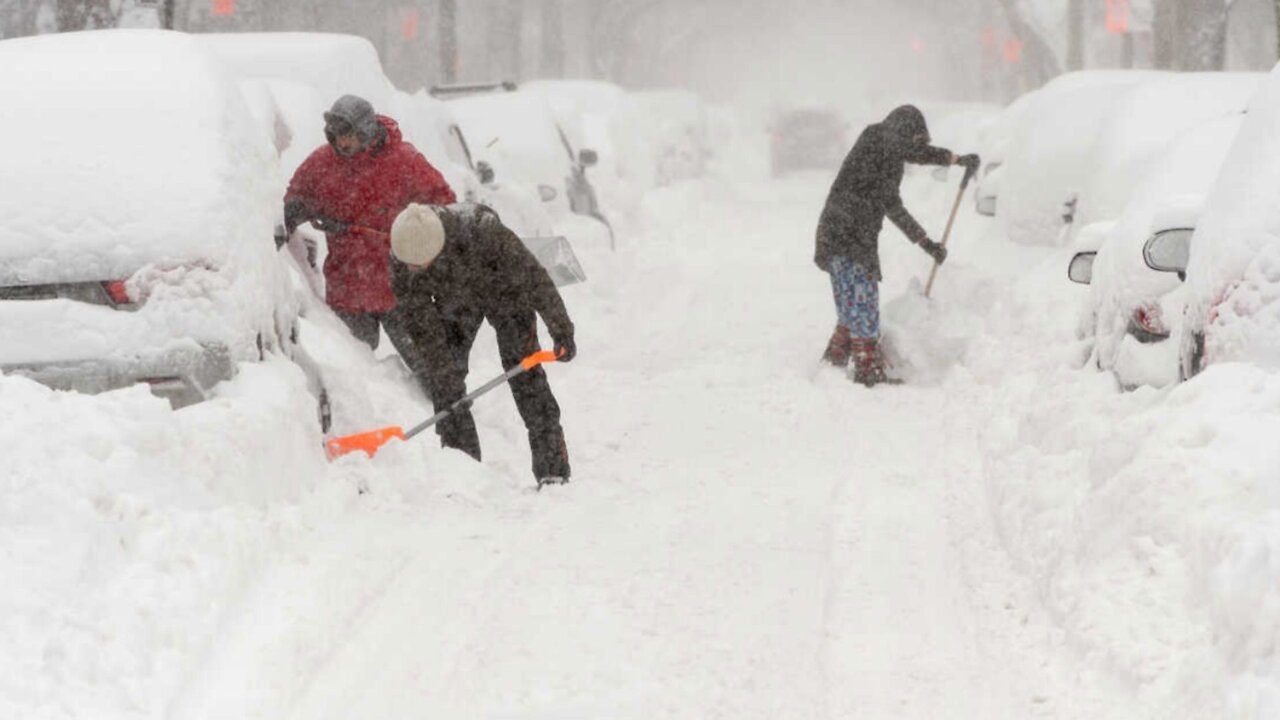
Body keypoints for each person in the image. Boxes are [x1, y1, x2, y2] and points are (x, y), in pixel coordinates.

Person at [388, 202, 576, 486]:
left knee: (525, 373)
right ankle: (462, 471)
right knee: (444, 385)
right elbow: (420, 322)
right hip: (456, 303)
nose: (411, 270)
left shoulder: (486, 233)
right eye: (408, 265)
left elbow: (535, 279)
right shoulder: (403, 255)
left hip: (506, 293)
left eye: (418, 265)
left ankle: (552, 469)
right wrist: (444, 371)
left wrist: (561, 329)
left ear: (436, 250)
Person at [282, 94, 456, 378]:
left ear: (365, 130)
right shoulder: (321, 163)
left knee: (432, 371)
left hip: (401, 286)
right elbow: (295, 199)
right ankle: (368, 421)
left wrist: (419, 234)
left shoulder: (404, 161)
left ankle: (451, 410)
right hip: (349, 288)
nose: (342, 143)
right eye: (336, 136)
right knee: (355, 378)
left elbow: (443, 205)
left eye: (348, 135)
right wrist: (296, 211)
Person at [813, 104, 979, 386]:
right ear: (903, 130)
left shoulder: (884, 157)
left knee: (851, 300)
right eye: (914, 139)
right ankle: (867, 369)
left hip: (839, 233)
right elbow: (912, 152)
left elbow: (893, 206)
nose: (914, 147)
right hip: (849, 233)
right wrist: (953, 159)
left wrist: (926, 243)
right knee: (863, 300)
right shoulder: (877, 137)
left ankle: (836, 356)